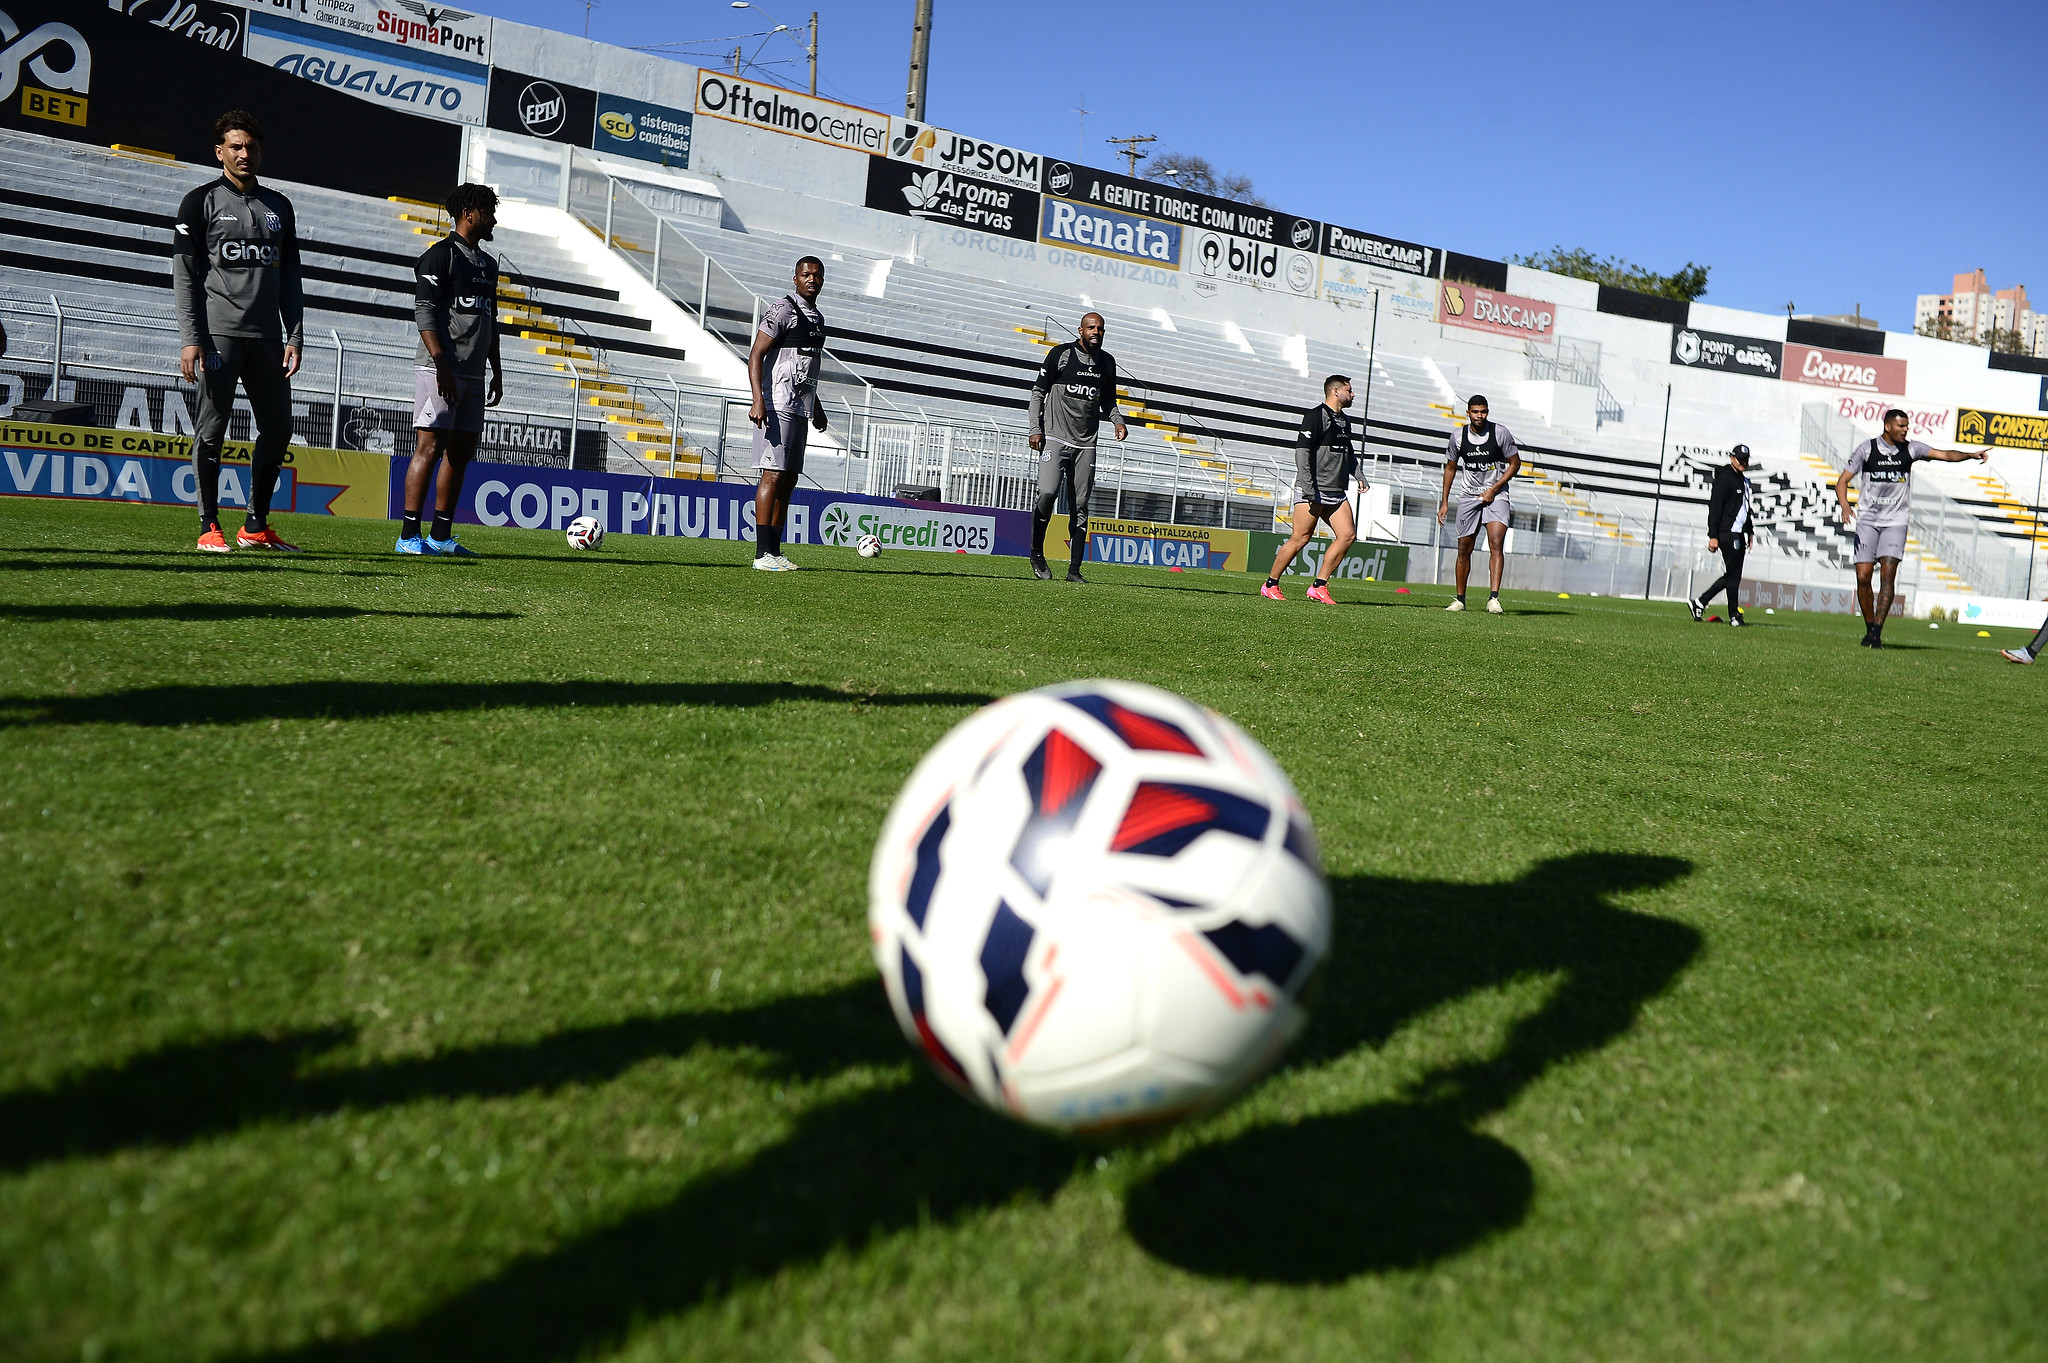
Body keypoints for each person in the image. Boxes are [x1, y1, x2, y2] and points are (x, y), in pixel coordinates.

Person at [172, 110, 303, 553]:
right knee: (213, 430)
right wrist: (192, 338)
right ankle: (209, 526)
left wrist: (296, 335)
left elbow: (291, 279)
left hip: (267, 339)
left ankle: (255, 525)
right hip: (218, 337)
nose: (245, 153)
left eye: (251, 146)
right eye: (236, 146)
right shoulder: (200, 202)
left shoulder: (279, 207)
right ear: (219, 152)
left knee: (280, 427)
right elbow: (186, 276)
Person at [398, 183, 502, 556]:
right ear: (470, 213)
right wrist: (442, 363)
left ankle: (441, 535)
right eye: (489, 210)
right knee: (429, 446)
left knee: (460, 452)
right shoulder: (440, 256)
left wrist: (497, 369)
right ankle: (409, 535)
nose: (494, 218)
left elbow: (491, 320)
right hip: (439, 368)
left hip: (473, 374)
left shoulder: (488, 264)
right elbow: (424, 312)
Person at [1834, 410, 1989, 648]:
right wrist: (1845, 505)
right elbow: (1842, 481)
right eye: (1901, 426)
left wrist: (1970, 455)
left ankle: (1876, 632)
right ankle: (1869, 628)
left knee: (1888, 574)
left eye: (1907, 426)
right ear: (1887, 427)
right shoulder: (1866, 449)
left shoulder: (1911, 449)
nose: (1906, 430)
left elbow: (1944, 455)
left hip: (1896, 521)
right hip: (1867, 520)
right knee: (1863, 577)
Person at [1028, 312, 1128, 582]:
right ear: (1081, 330)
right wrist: (1036, 429)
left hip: (1086, 444)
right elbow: (1038, 392)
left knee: (1080, 504)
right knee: (1048, 492)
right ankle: (1036, 553)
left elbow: (1108, 400)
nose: (1096, 332)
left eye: (1101, 329)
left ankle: (1074, 571)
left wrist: (1118, 422)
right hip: (1056, 438)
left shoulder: (1107, 363)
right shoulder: (1061, 355)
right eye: (1091, 328)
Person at [747, 256, 829, 571]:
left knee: (789, 479)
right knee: (773, 473)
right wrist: (758, 399)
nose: (812, 279)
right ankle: (762, 554)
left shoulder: (817, 318)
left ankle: (775, 552)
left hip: (800, 407)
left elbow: (808, 367)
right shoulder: (783, 309)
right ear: (795, 278)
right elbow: (755, 354)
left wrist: (817, 407)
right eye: (806, 274)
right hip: (777, 403)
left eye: (818, 276)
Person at [1262, 374, 1359, 604]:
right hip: (1313, 489)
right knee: (1300, 539)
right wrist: (1307, 485)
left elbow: (1349, 453)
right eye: (1349, 390)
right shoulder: (1315, 416)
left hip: (1335, 491)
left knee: (1348, 535)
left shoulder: (1345, 421)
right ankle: (1270, 584)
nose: (1353, 394)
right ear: (1336, 392)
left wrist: (1359, 474)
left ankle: (1319, 585)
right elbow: (1302, 452)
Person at [1435, 395, 1520, 612]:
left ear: (1487, 412)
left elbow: (1515, 463)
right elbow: (1451, 468)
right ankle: (1460, 600)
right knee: (1464, 548)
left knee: (1495, 542)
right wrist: (1444, 502)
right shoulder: (1458, 437)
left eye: (1483, 412)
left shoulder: (1500, 433)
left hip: (1497, 496)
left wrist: (1494, 488)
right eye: (1475, 412)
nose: (1480, 416)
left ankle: (1493, 598)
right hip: (1468, 497)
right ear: (1468, 413)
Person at [1688, 444, 1757, 626]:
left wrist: (1749, 530)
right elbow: (1715, 506)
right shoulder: (1725, 479)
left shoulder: (1743, 480)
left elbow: (1745, 509)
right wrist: (1713, 534)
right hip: (1728, 533)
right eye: (1740, 459)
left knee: (1733, 576)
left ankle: (1701, 602)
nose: (1743, 463)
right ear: (1732, 458)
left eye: (1746, 459)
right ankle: (1733, 615)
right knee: (1733, 576)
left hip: (1738, 533)